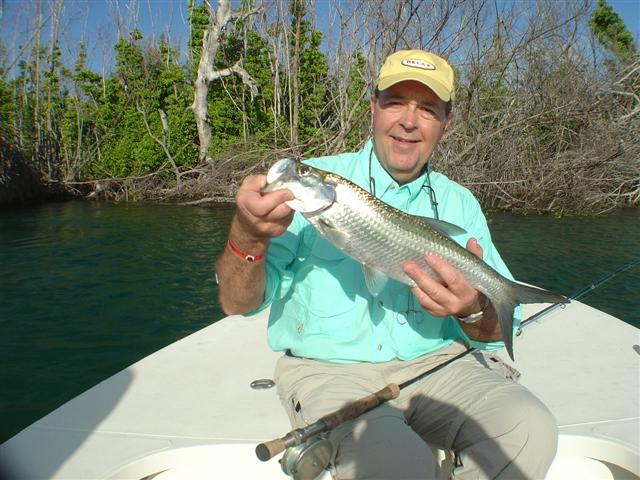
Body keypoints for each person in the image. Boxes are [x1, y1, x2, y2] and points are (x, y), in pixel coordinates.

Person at [215, 49, 557, 479]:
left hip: (438, 363)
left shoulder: (459, 204)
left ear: (446, 124)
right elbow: (236, 304)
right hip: (331, 374)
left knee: (530, 428)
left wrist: (473, 308)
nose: (409, 121)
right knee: (398, 468)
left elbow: (492, 337)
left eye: (428, 109)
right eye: (395, 102)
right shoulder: (313, 183)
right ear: (373, 108)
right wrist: (247, 234)